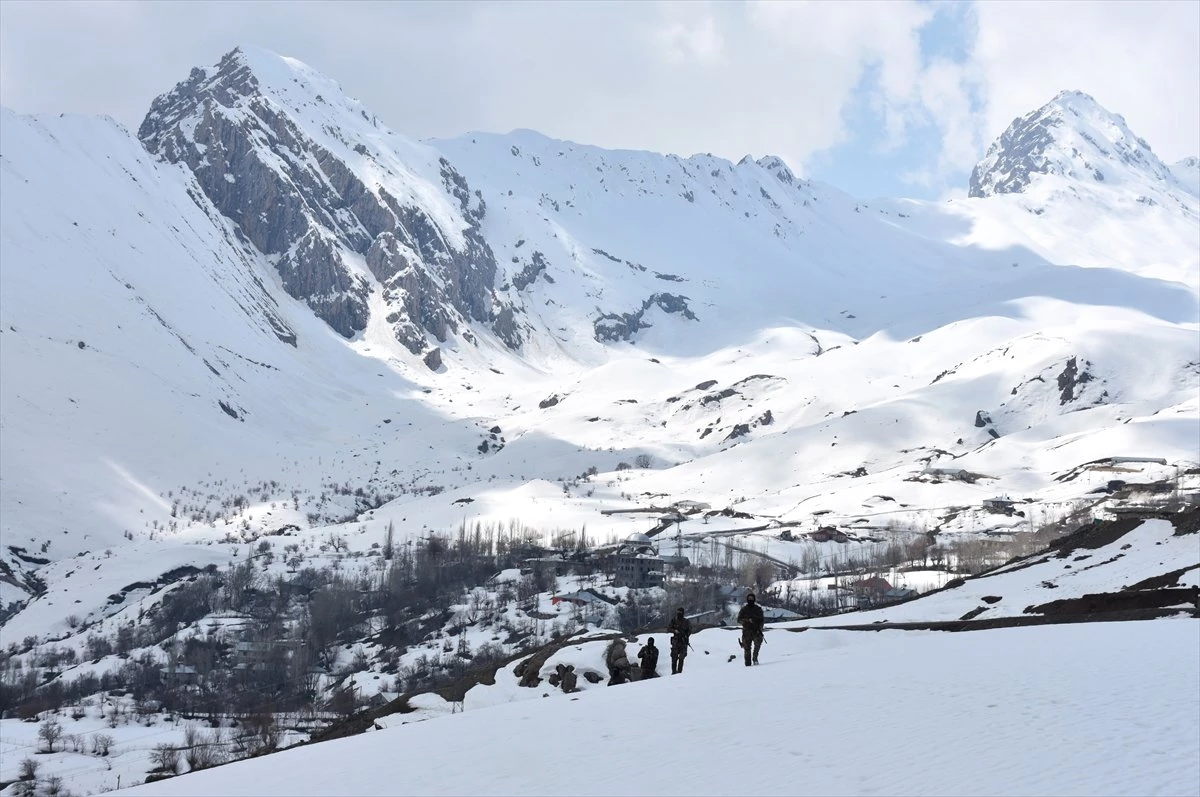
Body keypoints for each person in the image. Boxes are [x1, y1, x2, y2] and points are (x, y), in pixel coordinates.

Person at [737, 592, 764, 666]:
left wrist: (760, 629)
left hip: (756, 630)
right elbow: (739, 620)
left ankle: (755, 659)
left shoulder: (758, 609)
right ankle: (747, 664)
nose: (750, 600)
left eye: (752, 599)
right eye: (749, 599)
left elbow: (762, 620)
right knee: (747, 649)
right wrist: (747, 620)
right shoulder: (744, 609)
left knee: (757, 644)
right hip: (747, 631)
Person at [667, 607, 692, 674]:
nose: (679, 614)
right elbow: (668, 628)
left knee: (681, 658)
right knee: (674, 658)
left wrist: (685, 636)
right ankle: (673, 672)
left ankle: (679, 673)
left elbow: (690, 630)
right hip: (675, 641)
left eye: (680, 613)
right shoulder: (674, 620)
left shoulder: (686, 621)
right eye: (678, 612)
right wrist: (674, 631)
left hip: (683, 641)